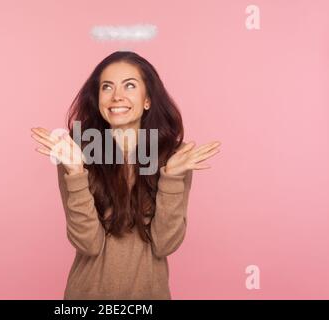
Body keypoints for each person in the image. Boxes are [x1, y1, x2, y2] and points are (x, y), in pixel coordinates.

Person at [30, 51, 221, 299]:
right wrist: (76, 172)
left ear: (147, 100)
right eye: (106, 87)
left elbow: (165, 244)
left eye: (129, 85)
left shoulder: (173, 158)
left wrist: (172, 178)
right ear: (98, 99)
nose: (117, 96)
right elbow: (88, 244)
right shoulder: (76, 153)